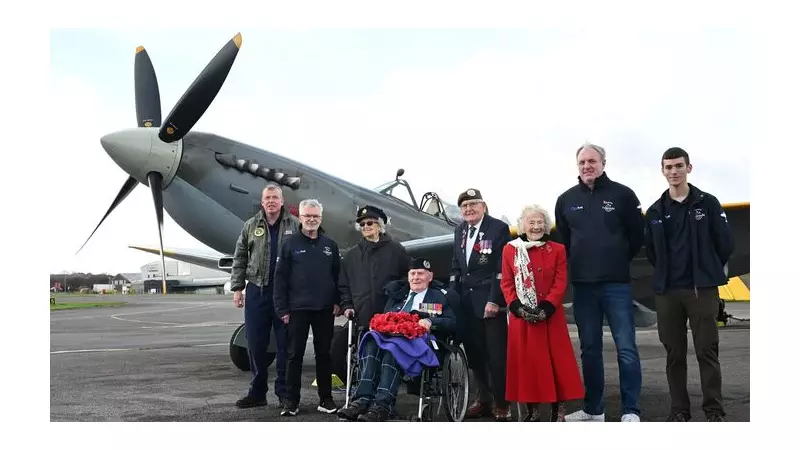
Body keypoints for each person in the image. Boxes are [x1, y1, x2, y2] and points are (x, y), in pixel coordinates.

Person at [554, 143, 645, 422]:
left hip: (616, 284)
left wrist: (615, 260)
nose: (587, 166)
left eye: (592, 161)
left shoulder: (624, 195)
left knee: (626, 347)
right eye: (582, 162)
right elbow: (564, 243)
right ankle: (594, 410)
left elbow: (637, 237)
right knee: (589, 348)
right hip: (583, 286)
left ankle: (631, 411)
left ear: (603, 163)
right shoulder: (566, 199)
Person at [644, 147, 733, 422]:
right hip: (668, 292)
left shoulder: (708, 203)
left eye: (678, 166)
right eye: (668, 167)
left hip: (701, 290)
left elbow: (725, 244)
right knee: (674, 354)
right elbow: (651, 252)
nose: (673, 171)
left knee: (707, 351)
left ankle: (714, 410)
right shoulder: (655, 211)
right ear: (662, 171)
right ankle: (679, 410)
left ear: (689, 168)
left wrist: (706, 270)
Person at [337, 257, 457, 422]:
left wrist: (431, 321)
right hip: (393, 340)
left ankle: (382, 405)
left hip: (421, 342)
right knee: (371, 341)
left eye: (421, 273)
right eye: (413, 273)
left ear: (430, 276)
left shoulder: (440, 296)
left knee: (391, 349)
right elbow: (386, 317)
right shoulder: (398, 295)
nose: (416, 277)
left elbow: (452, 323)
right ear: (408, 277)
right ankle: (362, 400)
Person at [500, 205, 584, 422]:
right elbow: (507, 281)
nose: (536, 226)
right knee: (527, 365)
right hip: (523, 316)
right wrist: (516, 306)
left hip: (550, 315)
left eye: (540, 222)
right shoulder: (510, 249)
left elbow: (560, 281)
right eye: (531, 222)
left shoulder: (557, 249)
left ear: (546, 226)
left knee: (556, 363)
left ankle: (558, 410)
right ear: (523, 226)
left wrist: (548, 306)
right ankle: (532, 410)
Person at [230, 183, 300, 409]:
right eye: (267, 198)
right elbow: (239, 257)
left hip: (284, 294)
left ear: (282, 201)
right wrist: (237, 288)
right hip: (256, 292)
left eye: (275, 198)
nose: (271, 201)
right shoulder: (250, 226)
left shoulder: (295, 225)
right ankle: (257, 392)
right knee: (256, 344)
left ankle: (284, 393)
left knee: (284, 345)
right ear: (262, 202)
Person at [273, 198, 342, 417]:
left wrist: (338, 301)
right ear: (300, 218)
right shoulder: (289, 244)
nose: (311, 220)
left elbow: (337, 276)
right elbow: (280, 279)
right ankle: (291, 402)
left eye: (315, 216)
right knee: (294, 355)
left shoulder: (330, 245)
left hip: (324, 309)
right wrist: (282, 309)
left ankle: (326, 398)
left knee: (324, 355)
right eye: (307, 216)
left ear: (320, 218)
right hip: (297, 310)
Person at [449, 188, 513, 421]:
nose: (469, 209)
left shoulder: (498, 228)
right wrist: (453, 299)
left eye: (474, 204)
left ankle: (502, 403)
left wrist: (495, 300)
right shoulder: (459, 231)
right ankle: (483, 399)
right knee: (475, 356)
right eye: (465, 206)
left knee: (496, 356)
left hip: (489, 301)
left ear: (483, 206)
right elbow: (456, 267)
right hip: (466, 303)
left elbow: (501, 268)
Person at [338, 205, 410, 326]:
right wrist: (347, 306)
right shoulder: (351, 255)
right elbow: (343, 285)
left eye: (370, 223)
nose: (366, 226)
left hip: (390, 316)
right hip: (361, 317)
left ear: (379, 225)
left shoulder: (396, 250)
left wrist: (397, 295)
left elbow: (408, 278)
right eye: (362, 224)